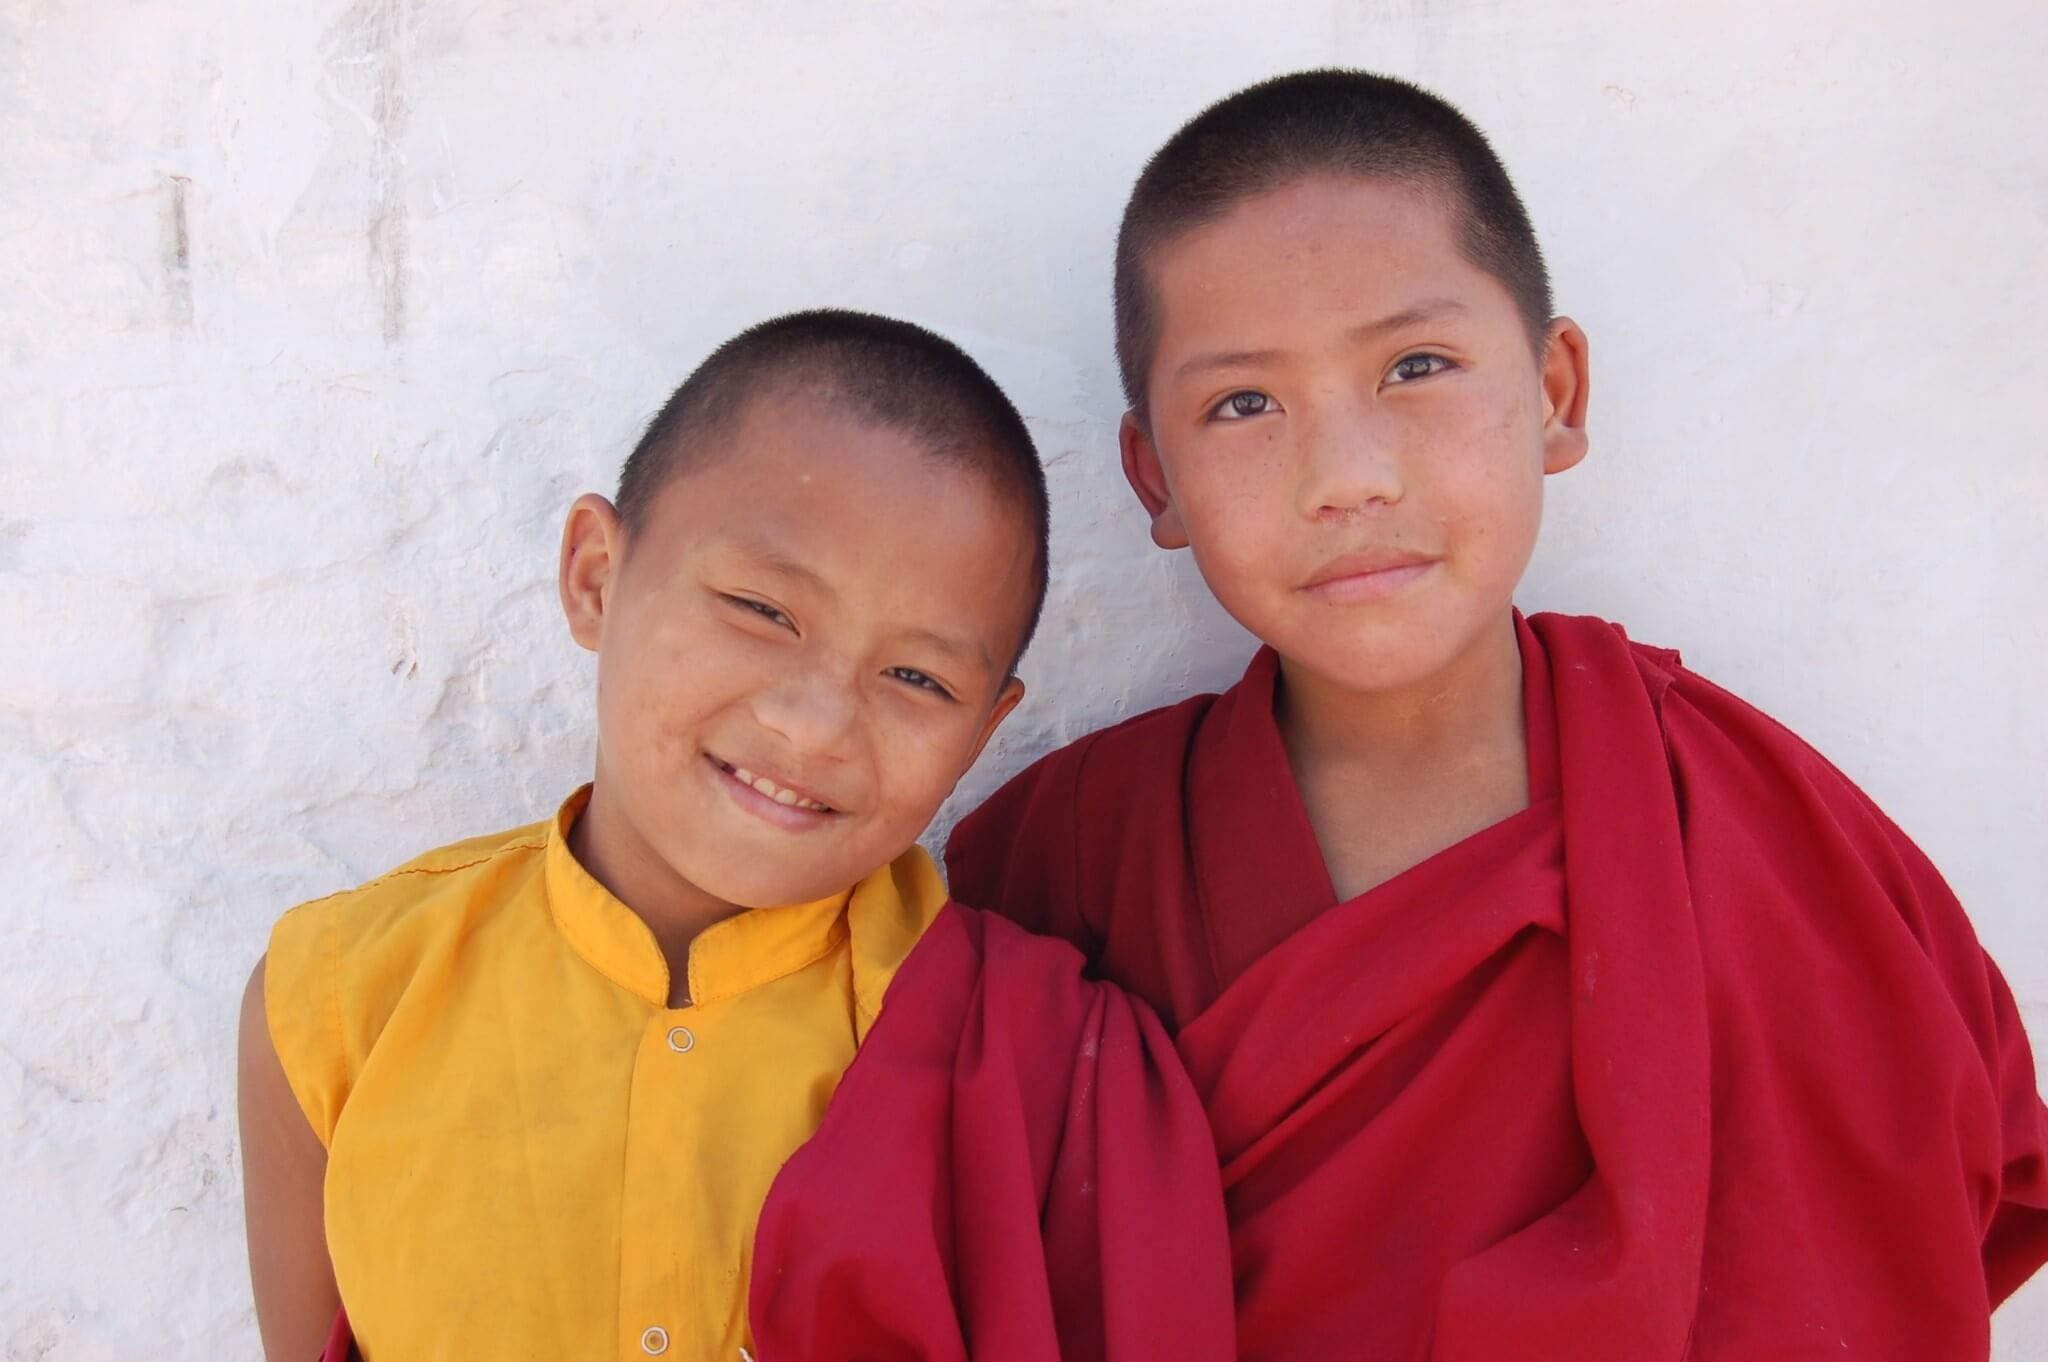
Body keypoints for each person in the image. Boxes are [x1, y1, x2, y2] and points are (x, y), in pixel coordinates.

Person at [946, 70, 2048, 1361]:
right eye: (1244, 403)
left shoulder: (1766, 833)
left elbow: (1913, 1218)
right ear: (1157, 475)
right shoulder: (1062, 858)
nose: (1347, 475)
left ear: (1557, 390)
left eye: (1417, 365)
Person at [237, 309, 1234, 1362]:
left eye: (915, 679)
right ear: (593, 577)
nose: (812, 725)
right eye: (761, 609)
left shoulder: (1033, 1062)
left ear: (982, 729)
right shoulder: (340, 1002)